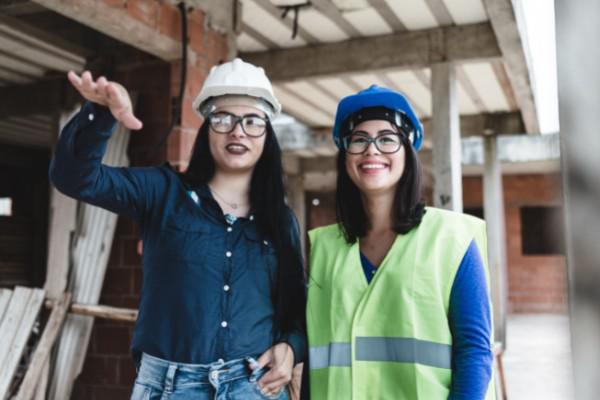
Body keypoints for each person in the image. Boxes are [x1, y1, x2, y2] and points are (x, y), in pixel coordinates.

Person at [50, 58, 306, 400]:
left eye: (252, 120)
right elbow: (76, 179)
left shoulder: (280, 220)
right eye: (223, 118)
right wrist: (101, 113)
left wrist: (291, 347)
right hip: (170, 388)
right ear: (206, 128)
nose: (238, 131)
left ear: (267, 133)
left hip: (254, 385)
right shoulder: (164, 193)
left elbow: (297, 308)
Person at [306, 85, 495, 399]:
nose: (371, 150)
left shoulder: (450, 238)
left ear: (408, 153)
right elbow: (315, 356)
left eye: (387, 139)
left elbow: (475, 351)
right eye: (359, 140)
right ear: (345, 157)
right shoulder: (323, 248)